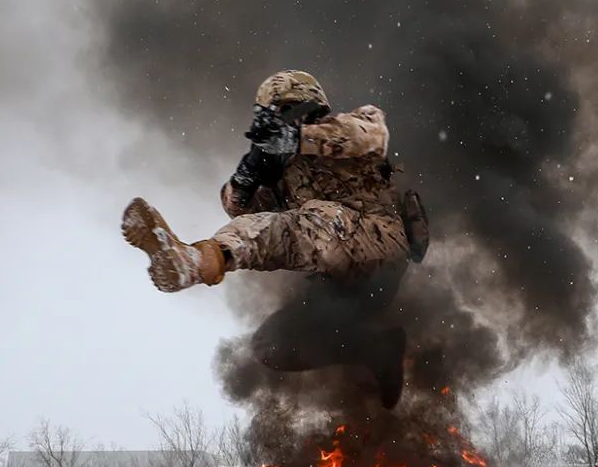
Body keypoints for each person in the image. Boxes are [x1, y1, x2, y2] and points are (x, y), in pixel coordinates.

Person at [122, 71, 425, 407]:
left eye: (281, 114)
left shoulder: (353, 125)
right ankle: (378, 349)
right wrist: (250, 172)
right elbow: (242, 213)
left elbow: (368, 136)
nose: (276, 125)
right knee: (273, 345)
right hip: (342, 289)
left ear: (307, 107)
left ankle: (198, 262)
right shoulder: (284, 171)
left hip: (377, 245)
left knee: (294, 226)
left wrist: (296, 139)